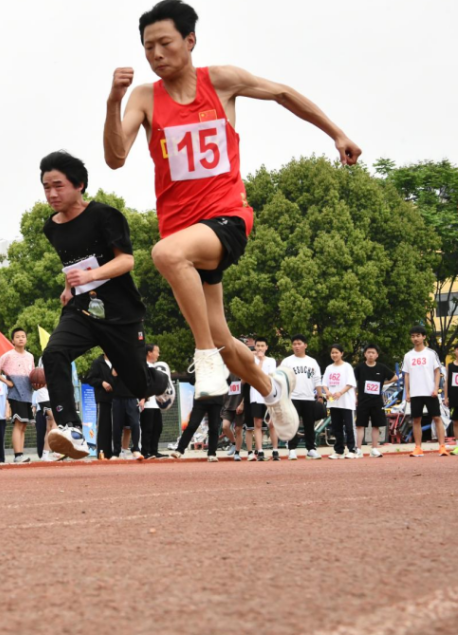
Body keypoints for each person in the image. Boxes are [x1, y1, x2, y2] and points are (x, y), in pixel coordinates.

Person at [102, 0, 362, 439]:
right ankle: (270, 387)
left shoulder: (219, 81)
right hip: (184, 234)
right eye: (148, 48)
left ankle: (203, 357)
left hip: (226, 219)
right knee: (224, 338)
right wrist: (114, 100)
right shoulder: (146, 98)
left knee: (165, 255)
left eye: (165, 43)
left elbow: (282, 93)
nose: (156, 54)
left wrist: (336, 133)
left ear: (190, 40)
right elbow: (115, 158)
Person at [36, 151, 169, 459]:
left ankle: (159, 378)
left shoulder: (105, 216)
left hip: (120, 313)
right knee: (54, 353)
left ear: (79, 184)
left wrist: (90, 275)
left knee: (137, 385)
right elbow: (73, 264)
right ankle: (72, 429)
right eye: (46, 187)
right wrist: (69, 287)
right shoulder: (51, 227)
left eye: (58, 185)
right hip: (82, 309)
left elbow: (127, 260)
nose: (52, 193)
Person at [0, 328, 35, 463]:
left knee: (24, 425)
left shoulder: (30, 356)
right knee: (18, 423)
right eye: (17, 337)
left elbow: (32, 374)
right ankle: (17, 455)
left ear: (26, 339)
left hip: (27, 393)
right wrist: (6, 381)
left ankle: (21, 454)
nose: (21, 338)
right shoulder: (8, 355)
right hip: (16, 394)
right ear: (12, 340)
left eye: (23, 336)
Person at [403, 326, 448, 457]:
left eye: (418, 335)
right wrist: (408, 392)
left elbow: (437, 370)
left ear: (424, 337)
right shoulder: (408, 356)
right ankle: (418, 448)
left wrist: (435, 388)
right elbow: (406, 374)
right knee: (416, 420)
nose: (415, 338)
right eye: (413, 336)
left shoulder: (431, 353)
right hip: (415, 392)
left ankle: (442, 446)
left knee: (437, 418)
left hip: (430, 392)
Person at [280, 334, 324, 460]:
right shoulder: (287, 361)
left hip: (309, 397)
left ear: (305, 345)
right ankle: (292, 449)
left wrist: (320, 396)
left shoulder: (312, 361)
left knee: (309, 424)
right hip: (292, 397)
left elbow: (317, 379)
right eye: (294, 344)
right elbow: (281, 378)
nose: (297, 346)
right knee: (292, 424)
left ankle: (311, 449)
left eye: (299, 343)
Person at [353, 344, 398, 458]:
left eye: (373, 353)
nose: (370, 355)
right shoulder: (359, 368)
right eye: (368, 352)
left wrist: (384, 384)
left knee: (376, 425)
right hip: (363, 400)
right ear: (365, 354)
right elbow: (352, 382)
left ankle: (374, 448)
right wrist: (354, 396)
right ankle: (358, 449)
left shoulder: (381, 368)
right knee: (360, 425)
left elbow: (395, 377)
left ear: (377, 355)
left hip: (377, 400)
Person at [322, 344, 357, 460]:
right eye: (332, 352)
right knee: (336, 427)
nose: (334, 355)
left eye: (336, 352)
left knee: (349, 427)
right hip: (333, 403)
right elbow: (325, 384)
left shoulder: (347, 367)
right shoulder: (329, 368)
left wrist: (340, 393)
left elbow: (350, 383)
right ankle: (339, 450)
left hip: (346, 403)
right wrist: (327, 392)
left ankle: (352, 449)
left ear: (342, 353)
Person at [248, 338, 278, 461]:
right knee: (258, 424)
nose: (260, 348)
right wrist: (259, 361)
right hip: (255, 395)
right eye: (258, 346)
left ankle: (275, 450)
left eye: (262, 346)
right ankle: (260, 451)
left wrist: (261, 361)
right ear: (255, 347)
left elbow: (269, 377)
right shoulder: (251, 361)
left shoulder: (271, 361)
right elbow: (254, 375)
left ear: (266, 347)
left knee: (272, 423)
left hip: (269, 395)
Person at [140, 344, 170, 459]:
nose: (158, 354)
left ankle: (154, 451)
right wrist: (142, 397)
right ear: (149, 352)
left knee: (158, 428)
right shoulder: (143, 367)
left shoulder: (155, 368)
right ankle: (145, 451)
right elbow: (142, 384)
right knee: (147, 428)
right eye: (157, 351)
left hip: (156, 404)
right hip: (146, 404)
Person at [86, 352, 117, 459]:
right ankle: (102, 453)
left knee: (116, 427)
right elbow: (90, 379)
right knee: (103, 427)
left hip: (117, 399)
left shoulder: (118, 362)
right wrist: (102, 382)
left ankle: (115, 453)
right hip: (103, 399)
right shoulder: (97, 363)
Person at [447, 344, 458, 450]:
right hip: (454, 397)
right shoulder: (450, 366)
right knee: (455, 421)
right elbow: (447, 382)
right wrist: (446, 397)